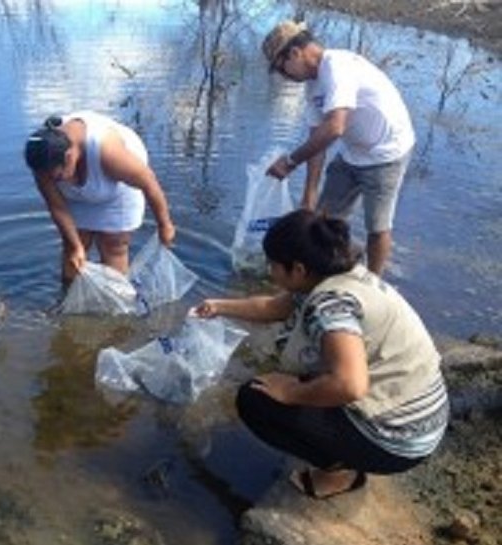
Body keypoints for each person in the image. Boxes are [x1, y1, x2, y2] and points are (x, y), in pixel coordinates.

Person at [194, 209, 448, 499]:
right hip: (420, 415)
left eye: (273, 265)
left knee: (255, 399)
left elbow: (350, 385)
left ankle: (339, 472)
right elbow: (273, 308)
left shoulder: (330, 307)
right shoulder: (341, 274)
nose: (269, 271)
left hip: (399, 442)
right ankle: (344, 450)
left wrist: (290, 392)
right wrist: (218, 307)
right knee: (296, 374)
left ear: (298, 270)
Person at [262, 20, 415, 276]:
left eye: (283, 69)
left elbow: (335, 127)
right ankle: (333, 271)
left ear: (295, 53)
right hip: (352, 153)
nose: (285, 76)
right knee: (325, 221)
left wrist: (290, 161)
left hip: (386, 153)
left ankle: (374, 285)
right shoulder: (313, 86)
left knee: (377, 226)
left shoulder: (337, 67)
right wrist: (309, 193)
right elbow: (317, 139)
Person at [24, 111, 175, 284]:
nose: (52, 181)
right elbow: (57, 207)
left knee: (114, 245)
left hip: (118, 188)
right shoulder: (42, 161)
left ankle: (116, 302)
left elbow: (149, 183)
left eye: (58, 177)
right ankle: (67, 296)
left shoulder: (109, 152)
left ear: (69, 156)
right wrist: (76, 247)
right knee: (74, 247)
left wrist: (165, 225)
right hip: (79, 188)